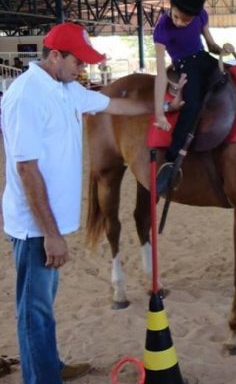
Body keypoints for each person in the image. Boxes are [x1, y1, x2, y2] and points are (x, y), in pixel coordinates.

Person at [1, 22, 184, 384]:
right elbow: (26, 169)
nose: (83, 69)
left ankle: (49, 365)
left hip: (50, 224)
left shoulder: (66, 88)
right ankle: (42, 378)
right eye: (78, 62)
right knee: (34, 310)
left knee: (43, 306)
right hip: (34, 225)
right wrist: (51, 233)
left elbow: (117, 104)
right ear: (55, 56)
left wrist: (165, 103)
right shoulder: (26, 96)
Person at [153, 0, 233, 194]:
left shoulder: (200, 16)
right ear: (171, 5)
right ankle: (170, 161)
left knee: (233, 76)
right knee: (192, 105)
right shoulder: (162, 29)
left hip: (203, 57)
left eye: (186, 21)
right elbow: (161, 73)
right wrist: (159, 113)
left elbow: (211, 45)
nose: (180, 22)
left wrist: (222, 49)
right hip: (185, 65)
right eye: (178, 17)